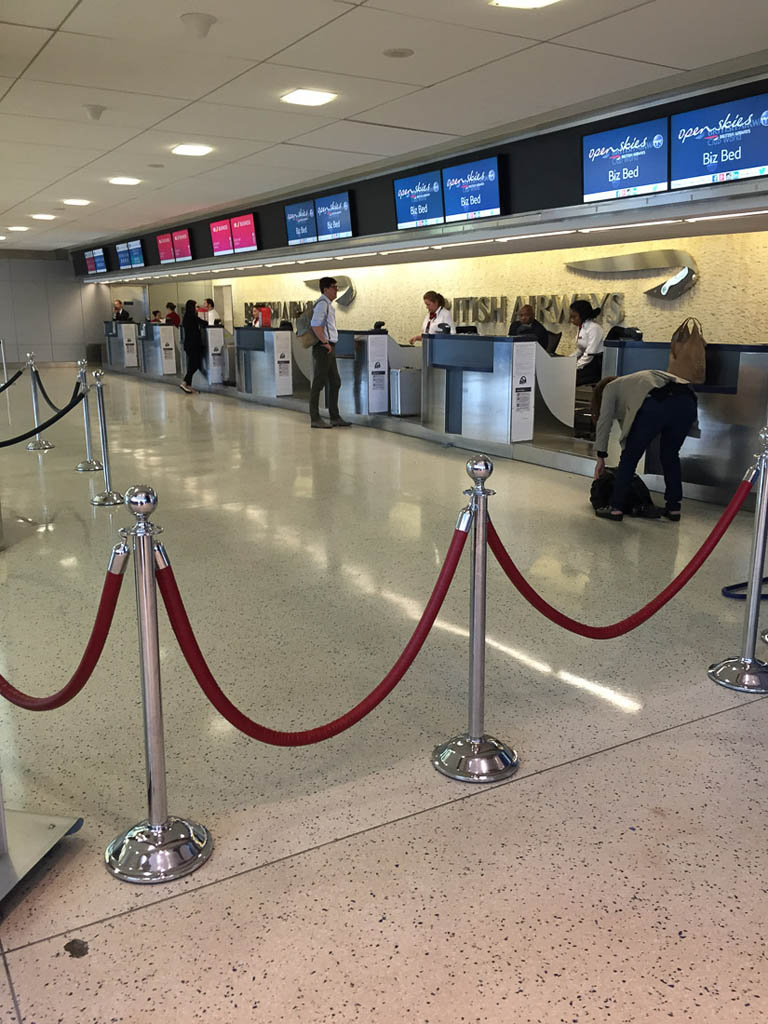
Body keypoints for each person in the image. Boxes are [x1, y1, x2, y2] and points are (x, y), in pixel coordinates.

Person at [592, 370, 698, 523]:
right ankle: (673, 508)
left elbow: (604, 422)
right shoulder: (634, 382)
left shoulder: (610, 388)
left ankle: (615, 508)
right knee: (670, 455)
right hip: (687, 400)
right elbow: (629, 426)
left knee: (629, 458)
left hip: (656, 402)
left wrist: (601, 456)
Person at [309, 277, 350, 428]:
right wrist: (325, 342)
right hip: (323, 348)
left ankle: (335, 416)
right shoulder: (322, 304)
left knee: (335, 381)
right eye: (334, 287)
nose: (336, 290)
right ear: (325, 289)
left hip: (328, 347)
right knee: (319, 382)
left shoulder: (328, 305)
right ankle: (315, 418)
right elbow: (315, 325)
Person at [571, 300, 604, 386]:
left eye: (574, 317)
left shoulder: (594, 328)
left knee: (569, 378)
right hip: (586, 363)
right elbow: (580, 350)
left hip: (595, 366)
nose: (572, 320)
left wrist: (576, 366)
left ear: (582, 315)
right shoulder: (581, 327)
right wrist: (568, 360)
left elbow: (590, 353)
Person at [180, 298, 208, 394]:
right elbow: (203, 323)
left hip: (189, 345)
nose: (197, 308)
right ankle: (184, 382)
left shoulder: (186, 317)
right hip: (194, 345)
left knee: (192, 364)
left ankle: (189, 385)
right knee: (194, 364)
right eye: (195, 306)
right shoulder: (192, 317)